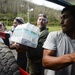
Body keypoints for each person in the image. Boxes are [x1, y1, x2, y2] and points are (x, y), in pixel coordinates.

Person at [42, 5, 75, 75]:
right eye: (61, 18)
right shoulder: (54, 36)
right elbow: (45, 61)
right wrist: (72, 57)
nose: (61, 22)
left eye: (66, 17)